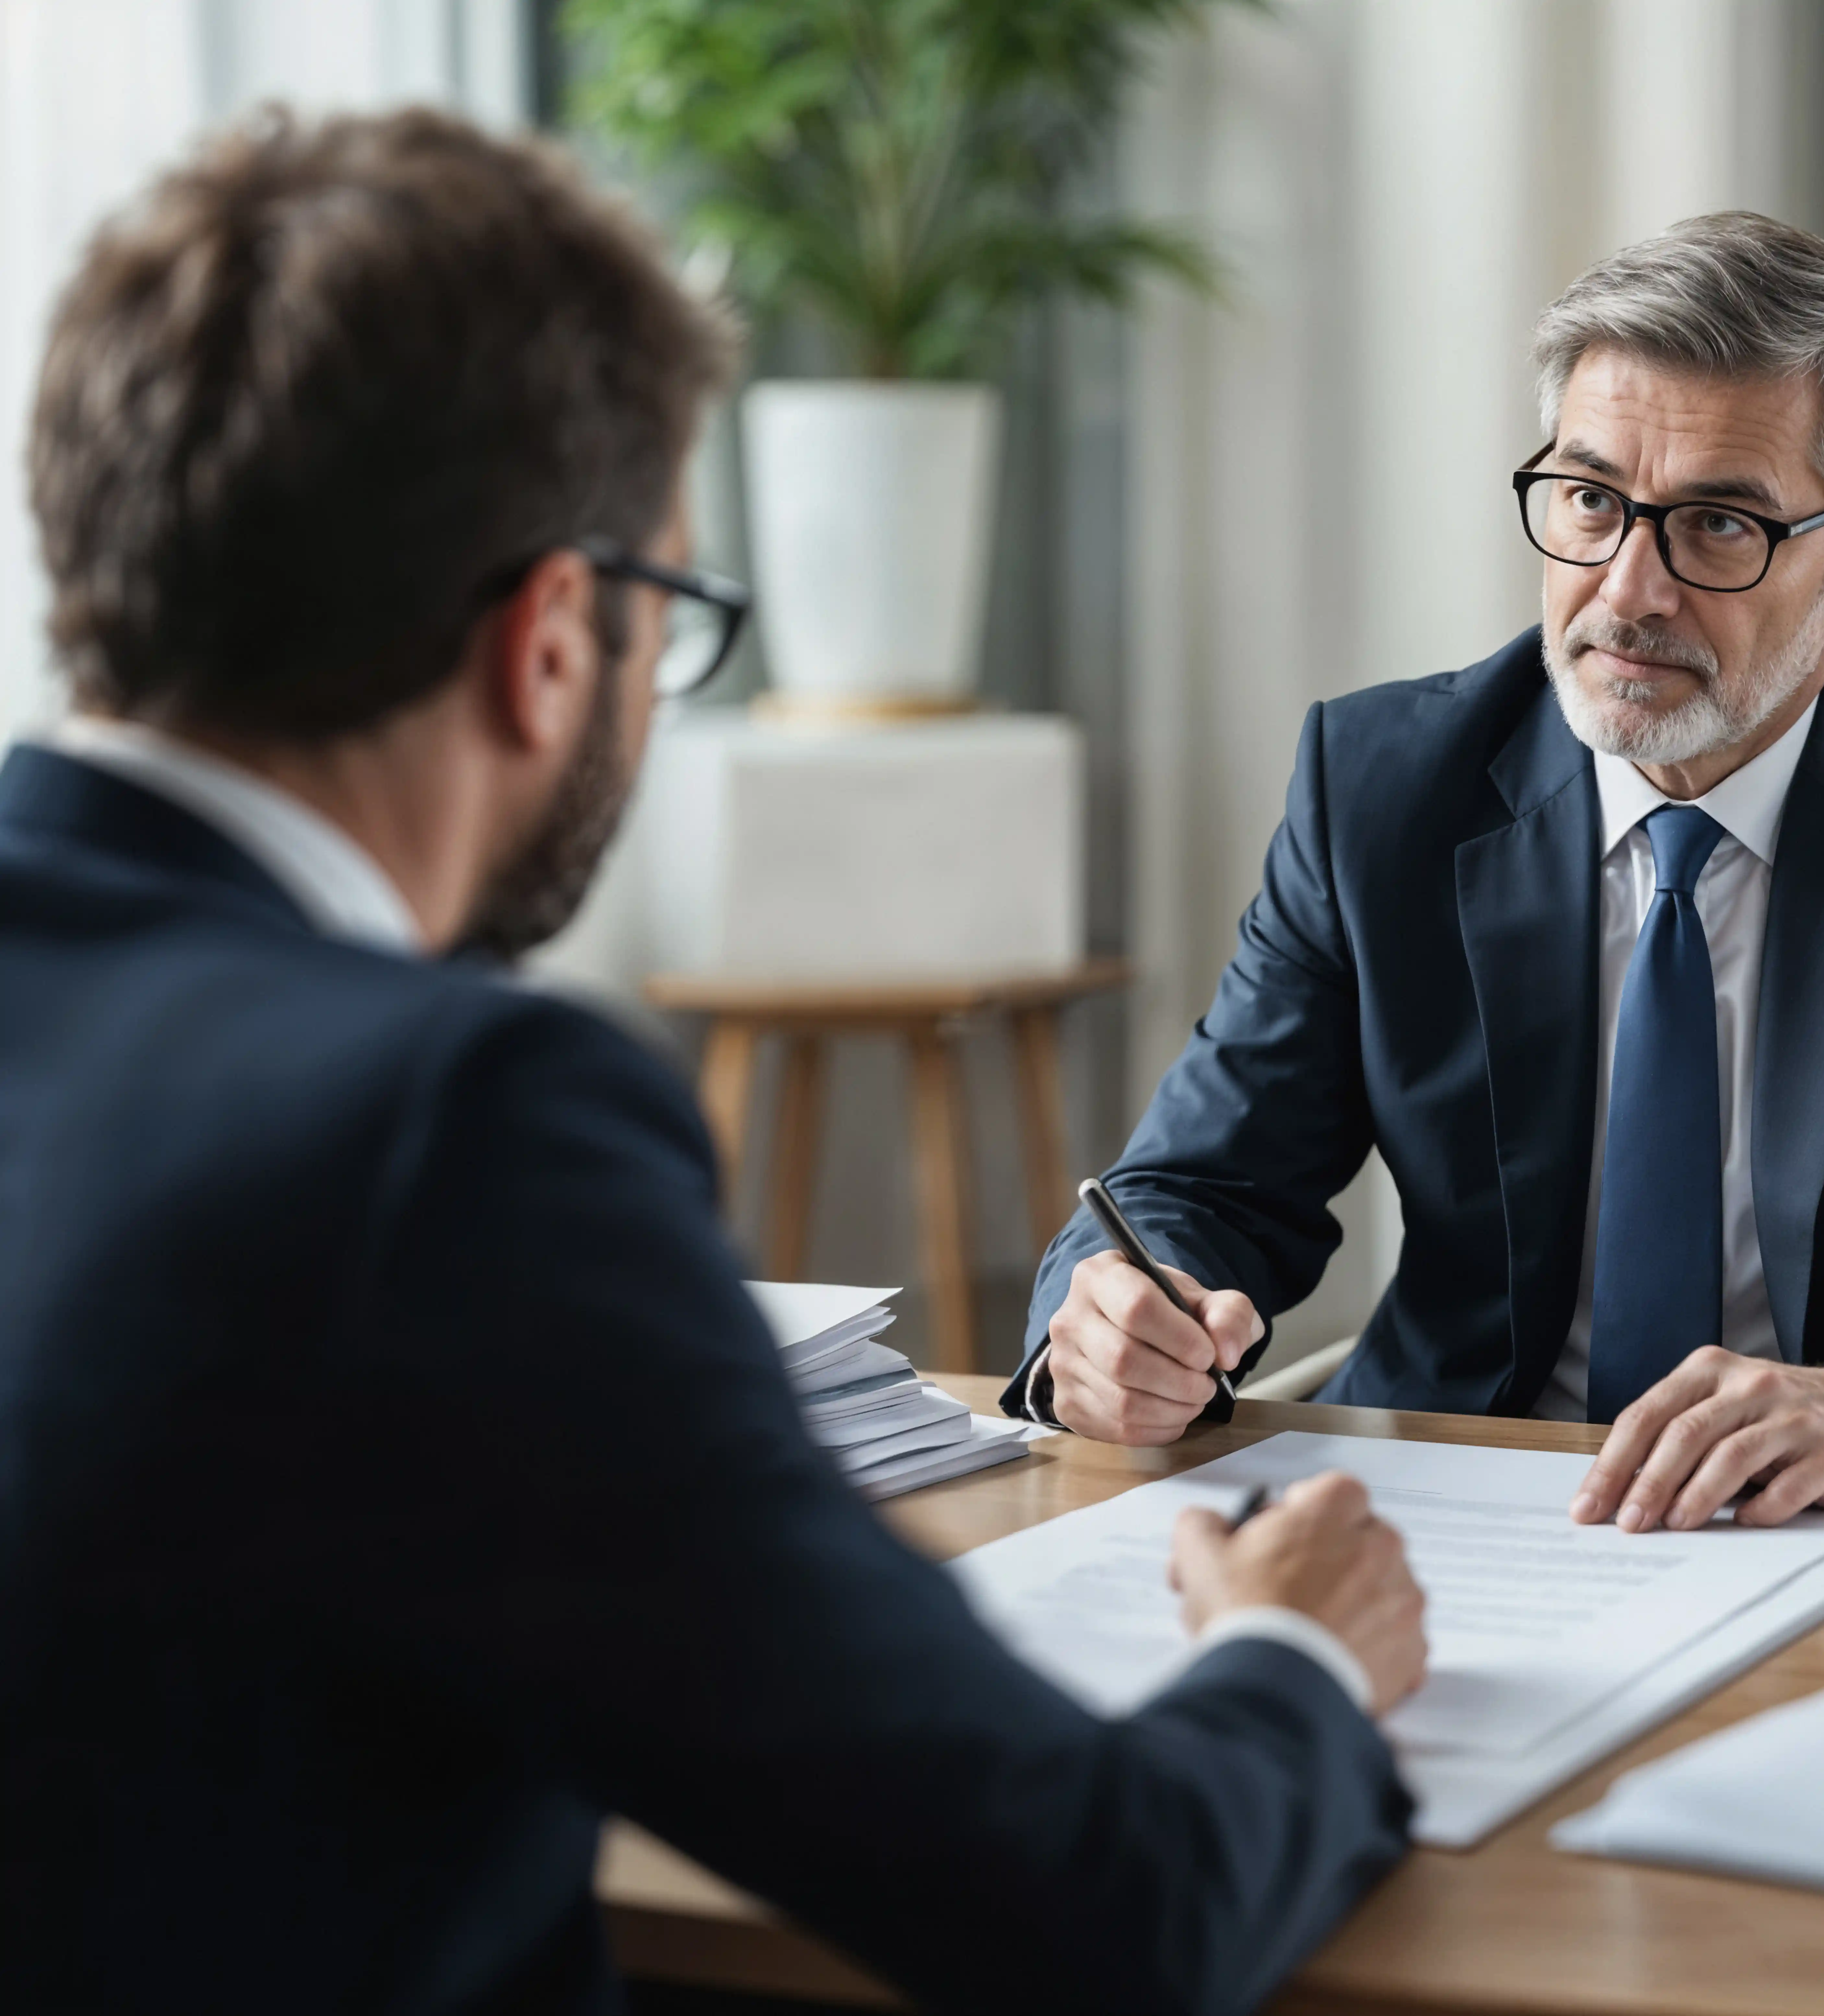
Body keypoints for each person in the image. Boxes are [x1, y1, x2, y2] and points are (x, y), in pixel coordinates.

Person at [0, 110, 1425, 2016]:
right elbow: (1102, 1911)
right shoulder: (452, 1129)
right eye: (671, 612)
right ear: (550, 642)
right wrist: (1293, 1656)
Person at [1011, 212, 1824, 1527]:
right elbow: (1195, 1189)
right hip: (1458, 1513)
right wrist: (1111, 1321)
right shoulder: (1386, 786)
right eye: (1587, 500)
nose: (1627, 591)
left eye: (1719, 526)